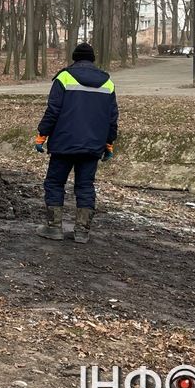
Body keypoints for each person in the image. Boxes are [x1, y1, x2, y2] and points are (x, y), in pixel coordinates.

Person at [33, 43, 118, 243]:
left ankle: (54, 228)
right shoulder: (108, 83)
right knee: (85, 186)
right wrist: (109, 143)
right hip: (93, 146)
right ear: (93, 59)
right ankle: (82, 232)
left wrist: (42, 135)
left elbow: (53, 110)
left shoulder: (64, 78)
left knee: (54, 183)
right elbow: (112, 117)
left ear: (74, 58)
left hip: (64, 143)